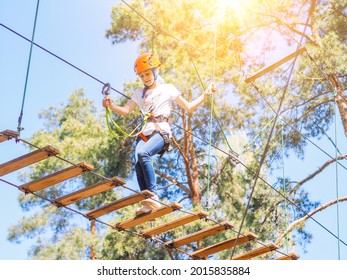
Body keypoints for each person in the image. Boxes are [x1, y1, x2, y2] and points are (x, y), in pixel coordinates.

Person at [102, 52, 216, 215]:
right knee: (138, 163)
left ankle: (153, 196)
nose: (145, 78)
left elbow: (189, 107)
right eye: (141, 75)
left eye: (147, 73)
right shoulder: (139, 93)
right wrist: (111, 106)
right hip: (144, 133)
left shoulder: (168, 89)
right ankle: (147, 201)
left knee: (143, 154)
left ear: (155, 71)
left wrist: (205, 94)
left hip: (161, 131)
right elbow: (126, 111)